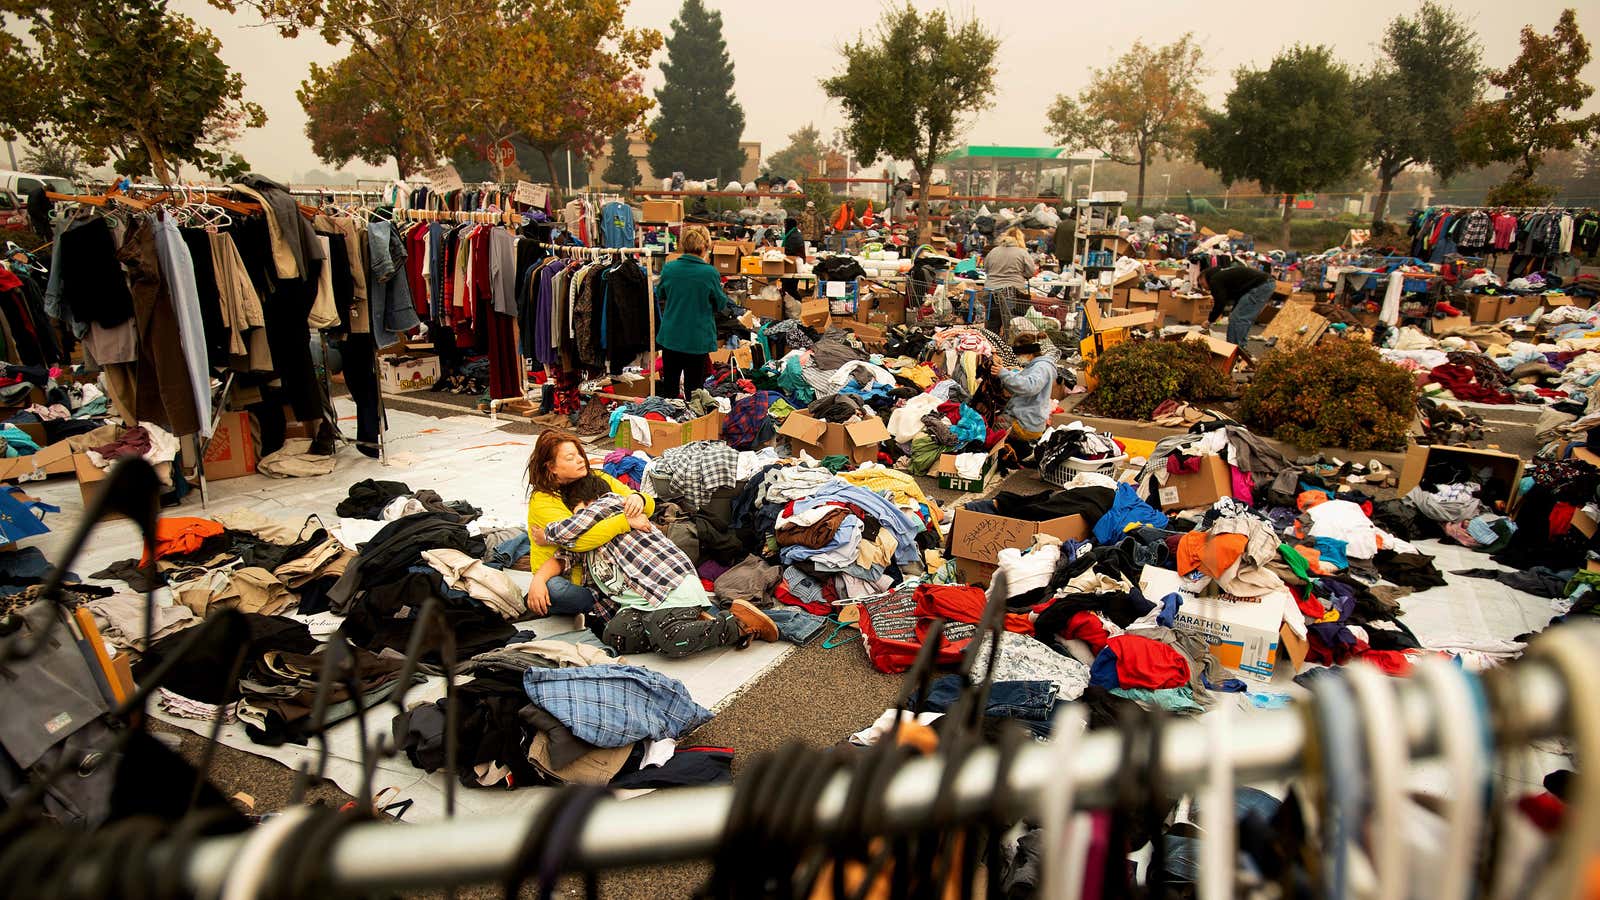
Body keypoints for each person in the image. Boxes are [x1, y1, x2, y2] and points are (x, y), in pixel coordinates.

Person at [543, 474, 777, 656]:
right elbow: (563, 556)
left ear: (588, 503)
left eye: (577, 513)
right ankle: (690, 625)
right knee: (615, 635)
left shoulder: (611, 504)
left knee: (668, 639)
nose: (577, 520)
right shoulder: (585, 543)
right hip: (643, 604)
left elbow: (565, 530)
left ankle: (738, 626)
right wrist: (538, 582)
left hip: (667, 588)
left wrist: (544, 534)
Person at [524, 430, 652, 620]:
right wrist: (625, 521)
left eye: (579, 454)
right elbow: (578, 541)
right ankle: (608, 601)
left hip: (606, 563)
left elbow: (647, 506)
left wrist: (638, 498)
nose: (580, 460)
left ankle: (613, 598)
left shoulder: (597, 478)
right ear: (551, 467)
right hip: (567, 573)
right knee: (557, 591)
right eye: (570, 457)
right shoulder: (543, 499)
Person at [654, 224, 730, 398]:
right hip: (697, 339)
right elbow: (720, 304)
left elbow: (661, 294)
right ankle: (692, 422)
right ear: (704, 246)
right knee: (694, 389)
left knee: (670, 387)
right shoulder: (709, 273)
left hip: (672, 336)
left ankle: (670, 422)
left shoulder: (670, 268)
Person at [989, 334, 1058, 453]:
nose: (1018, 357)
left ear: (1029, 352)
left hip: (1026, 423)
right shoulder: (1036, 366)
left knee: (991, 428)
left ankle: (992, 459)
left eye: (1019, 353)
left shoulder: (1041, 367)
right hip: (1030, 419)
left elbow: (1029, 386)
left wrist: (1004, 374)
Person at [1197, 260, 1273, 349]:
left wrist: (1209, 320)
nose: (1204, 287)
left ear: (1206, 277)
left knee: (1239, 319)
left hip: (1261, 285)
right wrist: (1232, 310)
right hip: (1262, 284)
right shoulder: (1223, 276)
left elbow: (1220, 303)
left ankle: (1236, 350)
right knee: (1236, 317)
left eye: (1202, 284)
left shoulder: (1215, 280)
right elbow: (1238, 296)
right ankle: (1234, 348)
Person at [983, 228, 1038, 340]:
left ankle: (991, 348)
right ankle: (1011, 348)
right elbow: (1031, 272)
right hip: (1014, 293)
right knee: (1013, 324)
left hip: (991, 292)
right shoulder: (1022, 253)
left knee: (993, 323)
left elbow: (986, 269)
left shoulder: (993, 251)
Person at [780, 216, 806, 301]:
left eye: (785, 224)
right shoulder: (792, 233)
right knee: (789, 288)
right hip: (792, 264)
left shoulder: (794, 236)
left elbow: (789, 251)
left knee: (790, 289)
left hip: (793, 265)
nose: (784, 226)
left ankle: (798, 304)